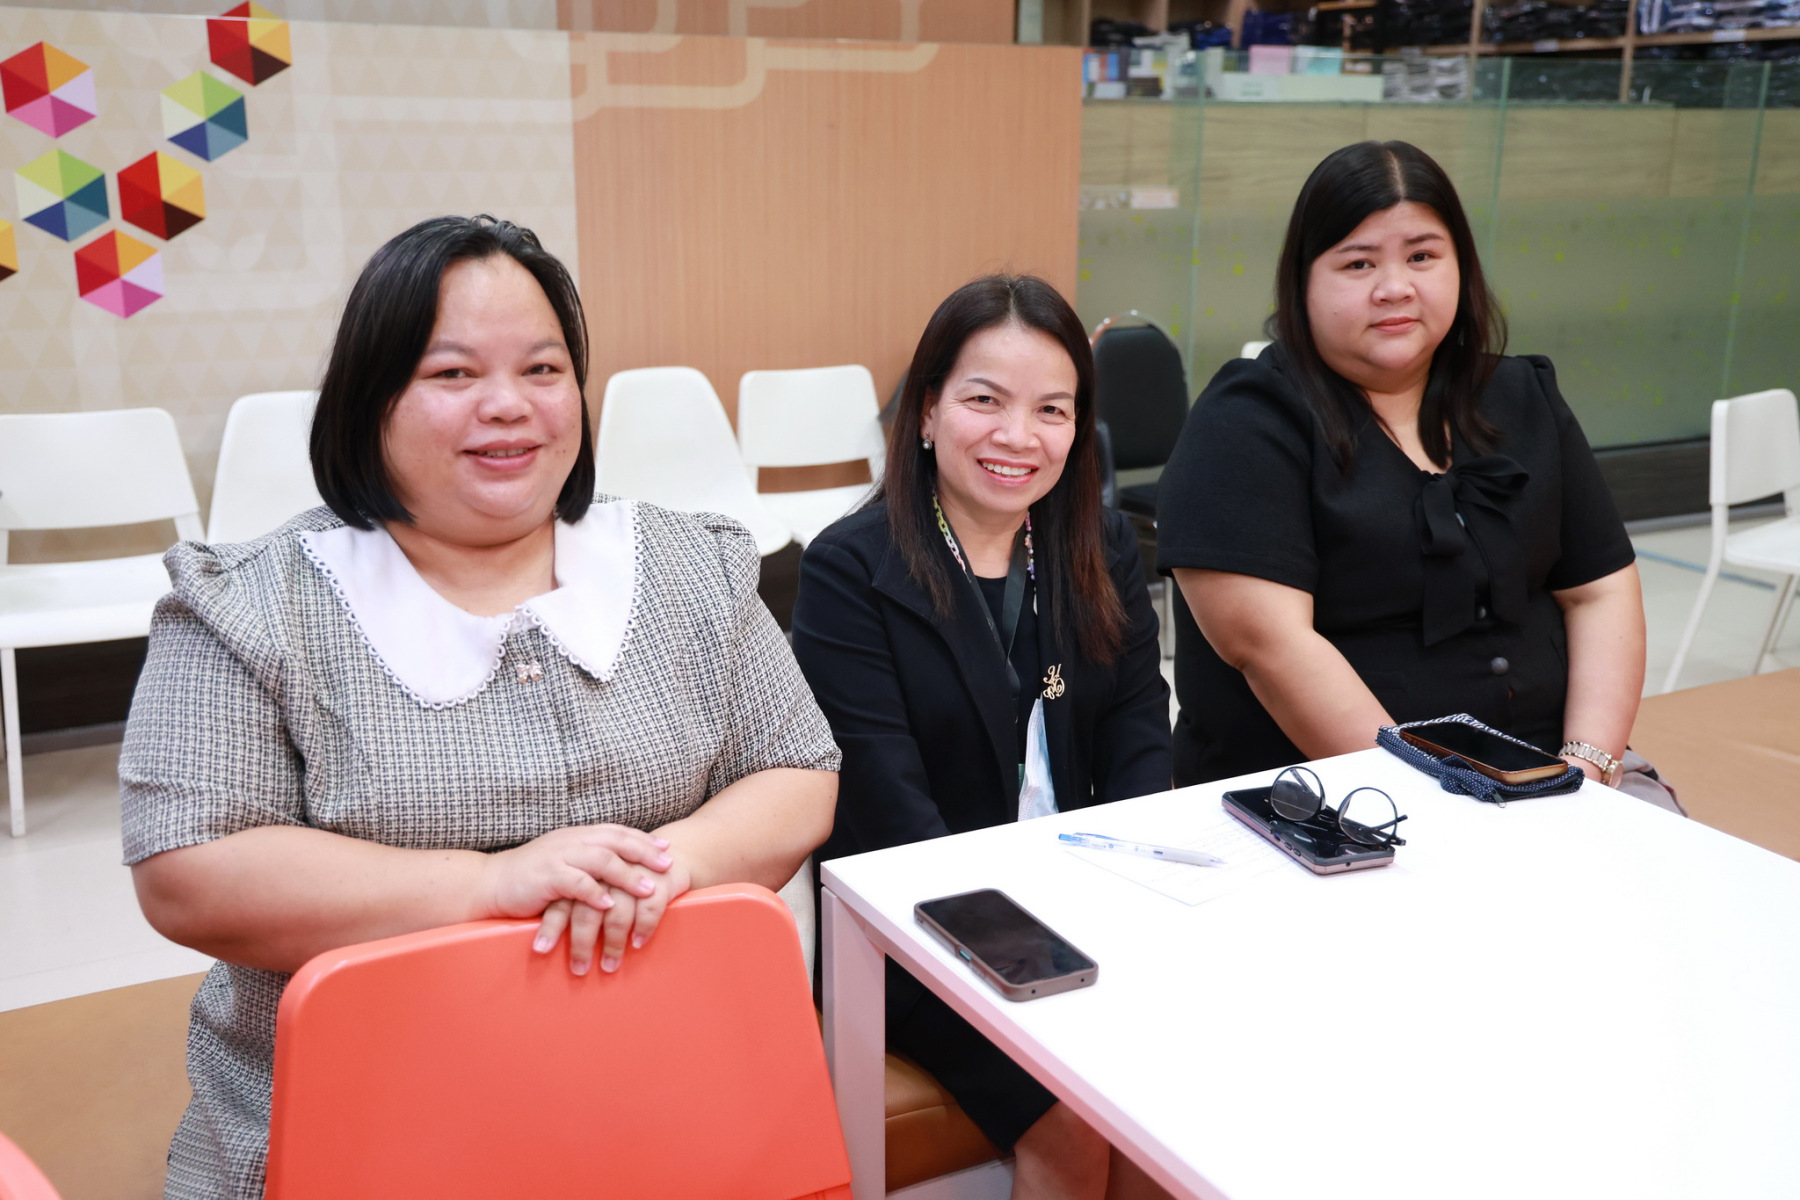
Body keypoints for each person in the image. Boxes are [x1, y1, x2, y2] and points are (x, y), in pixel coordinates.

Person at [121, 215, 841, 1200]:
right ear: (368, 400)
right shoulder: (252, 602)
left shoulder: (687, 563)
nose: (509, 405)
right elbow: (188, 870)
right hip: (360, 1128)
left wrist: (663, 869)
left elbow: (797, 767)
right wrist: (487, 886)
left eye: (543, 370)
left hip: (664, 1093)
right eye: (453, 374)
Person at [791, 275, 1172, 1200]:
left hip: (1089, 903)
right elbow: (886, 811)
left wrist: (1130, 902)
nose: (1018, 436)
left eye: (1052, 409)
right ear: (927, 411)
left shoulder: (1100, 544)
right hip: (923, 932)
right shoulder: (850, 568)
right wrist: (1036, 944)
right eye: (985, 401)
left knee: (1186, 1079)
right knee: (1078, 1108)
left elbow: (1139, 732)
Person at [1156, 141, 1647, 792]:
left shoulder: (1522, 394)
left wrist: (1589, 765)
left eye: (1422, 257)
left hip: (1556, 776)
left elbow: (1600, 590)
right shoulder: (1244, 424)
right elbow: (1271, 649)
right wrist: (1449, 801)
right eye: (1358, 263)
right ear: (1303, 281)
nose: (1395, 288)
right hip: (1339, 798)